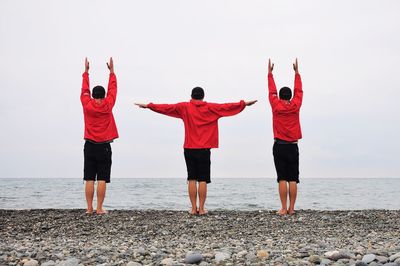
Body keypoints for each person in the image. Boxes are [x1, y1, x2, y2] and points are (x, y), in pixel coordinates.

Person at [135, 88, 256, 215]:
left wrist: (149, 106)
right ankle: (202, 209)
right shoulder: (210, 108)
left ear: (191, 96)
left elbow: (166, 108)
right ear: (203, 96)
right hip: (204, 149)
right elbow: (227, 107)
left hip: (189, 148)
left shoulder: (185, 107)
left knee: (192, 178)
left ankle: (193, 209)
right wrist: (244, 104)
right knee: (203, 179)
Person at [81, 57, 118, 215]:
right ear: (103, 95)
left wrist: (86, 73)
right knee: (102, 178)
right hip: (103, 146)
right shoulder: (108, 103)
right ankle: (99, 208)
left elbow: (84, 90)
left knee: (89, 178)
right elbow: (113, 90)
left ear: (92, 95)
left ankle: (89, 208)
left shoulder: (86, 103)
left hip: (89, 145)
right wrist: (111, 72)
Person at [268, 58, 303, 215]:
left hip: (279, 145)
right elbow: (299, 91)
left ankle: (283, 208)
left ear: (280, 96)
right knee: (293, 178)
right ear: (290, 96)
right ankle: (292, 208)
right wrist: (296, 74)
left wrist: (269, 74)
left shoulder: (276, 104)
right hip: (292, 146)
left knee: (282, 177)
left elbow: (271, 91)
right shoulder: (295, 104)